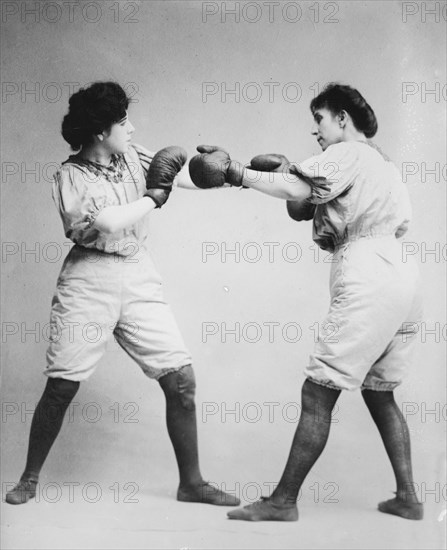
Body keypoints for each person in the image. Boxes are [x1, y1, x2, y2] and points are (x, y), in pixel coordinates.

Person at [188, 83, 424, 521]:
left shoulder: (347, 152)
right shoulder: (382, 163)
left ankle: (283, 501)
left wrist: (236, 171)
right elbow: (303, 205)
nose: (315, 129)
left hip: (368, 270)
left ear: (341, 119)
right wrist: (283, 171)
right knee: (380, 393)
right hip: (403, 277)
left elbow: (296, 191)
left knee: (317, 393)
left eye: (319, 119)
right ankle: (408, 497)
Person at [5, 81, 240, 508]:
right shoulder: (69, 176)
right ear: (99, 131)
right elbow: (110, 222)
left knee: (181, 380)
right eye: (123, 121)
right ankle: (29, 476)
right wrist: (154, 197)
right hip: (88, 280)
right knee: (62, 385)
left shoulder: (133, 154)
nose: (131, 128)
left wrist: (220, 171)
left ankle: (191, 483)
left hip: (137, 270)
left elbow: (179, 177)